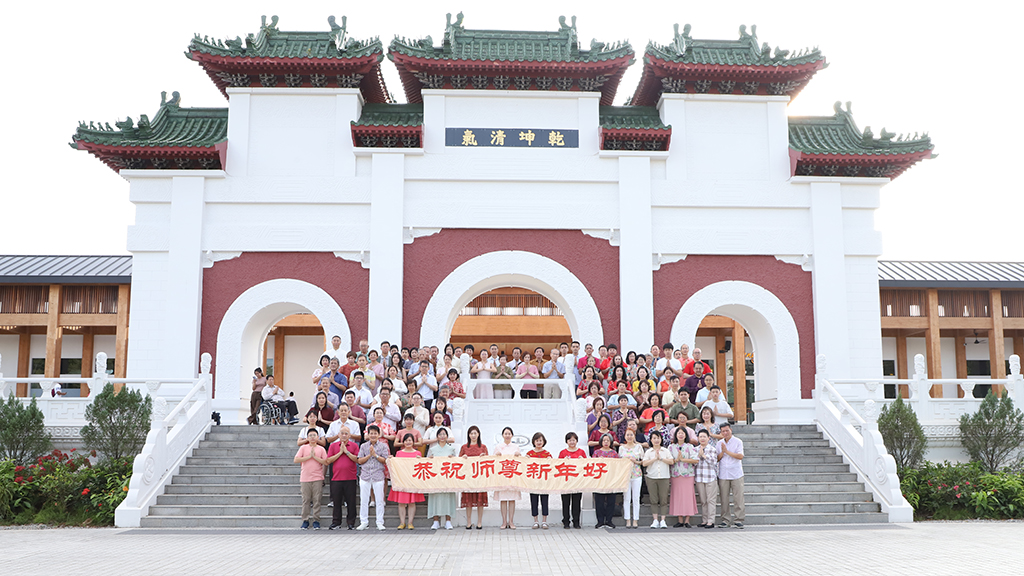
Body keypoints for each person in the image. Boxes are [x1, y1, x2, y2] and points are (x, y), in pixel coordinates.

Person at [355, 425, 389, 530]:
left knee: (379, 500)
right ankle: (364, 521)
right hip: (365, 475)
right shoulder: (363, 446)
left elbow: (385, 460)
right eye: (371, 433)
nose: (373, 435)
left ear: (379, 435)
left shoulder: (383, 446)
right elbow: (359, 460)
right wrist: (369, 455)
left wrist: (375, 455)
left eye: (375, 433)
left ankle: (380, 522)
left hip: (378, 475)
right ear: (368, 434)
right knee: (364, 500)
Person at [325, 426, 359, 529]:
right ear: (338, 435)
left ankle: (351, 522)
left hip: (350, 477)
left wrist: (346, 452)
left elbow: (357, 459)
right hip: (336, 478)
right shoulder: (333, 446)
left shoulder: (354, 445)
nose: (344, 435)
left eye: (346, 433)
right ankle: (336, 522)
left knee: (351, 502)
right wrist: (340, 452)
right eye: (342, 433)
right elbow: (328, 460)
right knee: (337, 502)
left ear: (349, 435)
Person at [294, 427, 328, 530]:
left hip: (317, 477)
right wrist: (309, 457)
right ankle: (305, 520)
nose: (312, 437)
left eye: (314, 435)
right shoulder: (303, 448)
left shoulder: (321, 449)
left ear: (318, 437)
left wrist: (315, 457)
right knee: (306, 500)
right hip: (305, 478)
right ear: (307, 438)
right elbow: (296, 459)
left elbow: (326, 462)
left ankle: (316, 520)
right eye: (310, 435)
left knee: (317, 500)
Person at [390, 432, 425, 530]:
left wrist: (420, 460)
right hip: (402, 480)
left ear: (413, 442)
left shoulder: (417, 453)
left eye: (410, 440)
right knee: (401, 503)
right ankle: (402, 523)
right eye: (406, 440)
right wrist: (391, 459)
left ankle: (410, 522)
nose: (408, 442)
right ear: (403, 442)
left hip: (412, 480)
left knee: (412, 502)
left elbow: (421, 467)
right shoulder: (399, 453)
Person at [426, 427, 457, 530]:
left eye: (444, 434)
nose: (442, 436)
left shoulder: (451, 449)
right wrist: (429, 459)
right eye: (440, 434)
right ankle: (436, 521)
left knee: (448, 498)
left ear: (447, 436)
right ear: (437, 437)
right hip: (436, 478)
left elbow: (457, 464)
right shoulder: (433, 449)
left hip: (448, 477)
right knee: (435, 498)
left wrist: (453, 459)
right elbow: (427, 463)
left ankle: (448, 521)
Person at [669, 426, 699, 528]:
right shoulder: (671, 447)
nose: (680, 435)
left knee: (688, 497)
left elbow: (696, 460)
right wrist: (676, 460)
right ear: (675, 435)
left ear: (686, 435)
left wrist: (683, 460)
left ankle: (687, 520)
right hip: (676, 475)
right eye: (679, 433)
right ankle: (680, 519)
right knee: (677, 497)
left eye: (682, 433)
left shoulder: (690, 446)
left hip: (688, 475)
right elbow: (669, 460)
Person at [643, 430, 674, 529]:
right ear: (651, 440)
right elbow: (644, 463)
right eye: (654, 438)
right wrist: (654, 459)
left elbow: (671, 461)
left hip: (664, 477)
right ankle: (655, 520)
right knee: (653, 499)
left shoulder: (666, 451)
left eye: (658, 438)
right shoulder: (649, 452)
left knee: (663, 499)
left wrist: (661, 458)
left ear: (661, 439)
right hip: (651, 477)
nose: (656, 440)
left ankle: (663, 520)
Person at [717, 423, 745, 529]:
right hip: (723, 473)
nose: (725, 433)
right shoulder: (719, 443)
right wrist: (722, 452)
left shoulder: (738, 441)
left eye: (727, 430)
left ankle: (739, 519)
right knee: (724, 498)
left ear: (731, 430)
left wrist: (727, 451)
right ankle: (725, 520)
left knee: (738, 497)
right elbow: (717, 458)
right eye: (723, 431)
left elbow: (740, 456)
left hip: (736, 473)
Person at [460, 426, 488, 529]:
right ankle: (469, 522)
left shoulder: (483, 447)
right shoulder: (464, 447)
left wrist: (484, 457)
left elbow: (488, 462)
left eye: (475, 433)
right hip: (468, 477)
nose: (473, 435)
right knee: (468, 500)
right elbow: (458, 462)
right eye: (471, 433)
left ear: (478, 434)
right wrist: (463, 458)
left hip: (479, 477)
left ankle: (479, 522)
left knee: (480, 500)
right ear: (468, 435)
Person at [494, 426, 522, 529]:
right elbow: (493, 462)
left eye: (509, 433)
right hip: (502, 476)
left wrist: (519, 455)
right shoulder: (498, 447)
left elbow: (520, 462)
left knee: (512, 499)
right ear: (502, 435)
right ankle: (504, 522)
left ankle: (511, 521)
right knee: (503, 499)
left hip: (513, 476)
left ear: (512, 435)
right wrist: (496, 455)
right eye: (505, 433)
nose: (507, 435)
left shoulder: (516, 447)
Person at [558, 432, 587, 529]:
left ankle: (576, 521)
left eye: (573, 440)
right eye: (570, 440)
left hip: (577, 481)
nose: (572, 442)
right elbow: (558, 466)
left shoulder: (581, 452)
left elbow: (586, 466)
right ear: (566, 441)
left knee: (576, 502)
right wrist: (563, 461)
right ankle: (566, 521)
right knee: (565, 503)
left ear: (577, 441)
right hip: (565, 482)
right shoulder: (563, 453)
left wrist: (582, 460)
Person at [618, 427, 645, 529]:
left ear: (634, 436)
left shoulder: (638, 447)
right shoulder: (621, 448)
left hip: (636, 474)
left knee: (636, 498)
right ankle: (628, 519)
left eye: (631, 435)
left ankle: (635, 520)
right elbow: (619, 462)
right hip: (626, 475)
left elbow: (642, 461)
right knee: (626, 498)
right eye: (627, 435)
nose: (629, 437)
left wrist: (635, 461)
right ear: (625, 436)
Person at [591, 433, 619, 529]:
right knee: (599, 501)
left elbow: (618, 466)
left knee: (611, 501)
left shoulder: (614, 453)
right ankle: (600, 521)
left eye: (608, 440)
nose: (606, 442)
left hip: (611, 479)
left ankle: (609, 521)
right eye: (604, 440)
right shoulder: (597, 453)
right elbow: (592, 465)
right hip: (599, 480)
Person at [526, 432, 552, 530]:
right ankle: (536, 521)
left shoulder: (547, 454)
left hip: (544, 482)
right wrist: (526, 459)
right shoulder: (529, 454)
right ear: (534, 442)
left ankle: (544, 521)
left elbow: (552, 466)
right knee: (534, 501)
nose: (539, 442)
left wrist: (550, 460)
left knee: (545, 501)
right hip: (533, 482)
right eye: (537, 440)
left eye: (540, 440)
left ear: (544, 441)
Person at [694, 428, 719, 529]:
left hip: (710, 478)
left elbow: (714, 462)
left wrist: (703, 455)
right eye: (700, 437)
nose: (702, 438)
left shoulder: (712, 449)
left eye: (704, 436)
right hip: (699, 478)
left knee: (711, 500)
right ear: (698, 438)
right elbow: (693, 463)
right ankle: (704, 520)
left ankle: (711, 521)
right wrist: (698, 456)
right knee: (703, 501)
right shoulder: (695, 449)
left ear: (709, 438)